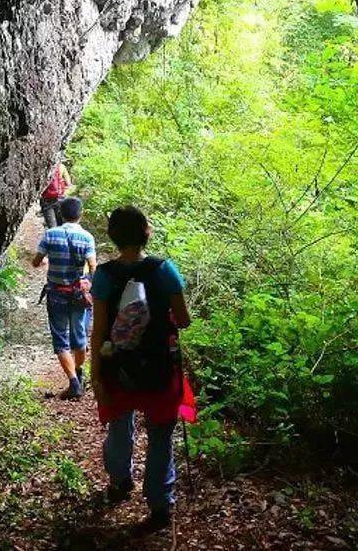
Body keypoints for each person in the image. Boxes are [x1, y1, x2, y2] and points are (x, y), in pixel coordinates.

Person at [90, 206, 196, 529]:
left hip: (117, 364)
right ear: (146, 232)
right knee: (161, 434)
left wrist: (96, 375)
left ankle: (121, 482)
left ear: (114, 237)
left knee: (120, 426)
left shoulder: (105, 276)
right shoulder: (165, 270)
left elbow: (98, 330)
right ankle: (159, 504)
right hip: (160, 365)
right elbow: (184, 320)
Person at [32, 197, 97, 399]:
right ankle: (78, 372)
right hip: (78, 295)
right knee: (79, 337)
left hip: (56, 293)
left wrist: (45, 262)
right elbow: (93, 265)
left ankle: (73, 382)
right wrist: (87, 280)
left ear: (61, 214)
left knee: (60, 338)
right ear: (80, 214)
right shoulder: (87, 237)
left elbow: (36, 262)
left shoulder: (50, 234)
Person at [40, 162, 73, 229]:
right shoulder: (61, 166)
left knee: (52, 227)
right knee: (62, 225)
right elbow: (68, 183)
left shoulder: (42, 166)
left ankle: (53, 237)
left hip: (46, 200)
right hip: (60, 198)